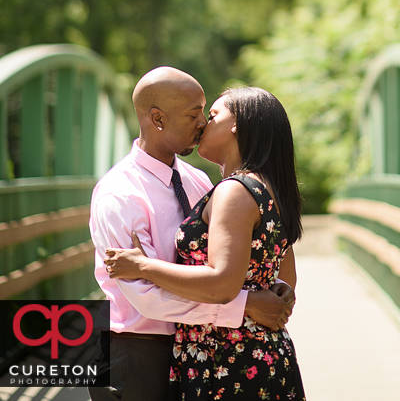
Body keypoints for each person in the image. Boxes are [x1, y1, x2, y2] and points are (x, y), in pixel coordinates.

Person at [89, 69, 295, 401]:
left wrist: (277, 287)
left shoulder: (198, 180)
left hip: (197, 353)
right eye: (193, 113)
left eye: (205, 111)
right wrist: (245, 306)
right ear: (157, 119)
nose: (202, 122)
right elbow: (145, 297)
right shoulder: (121, 194)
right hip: (138, 353)